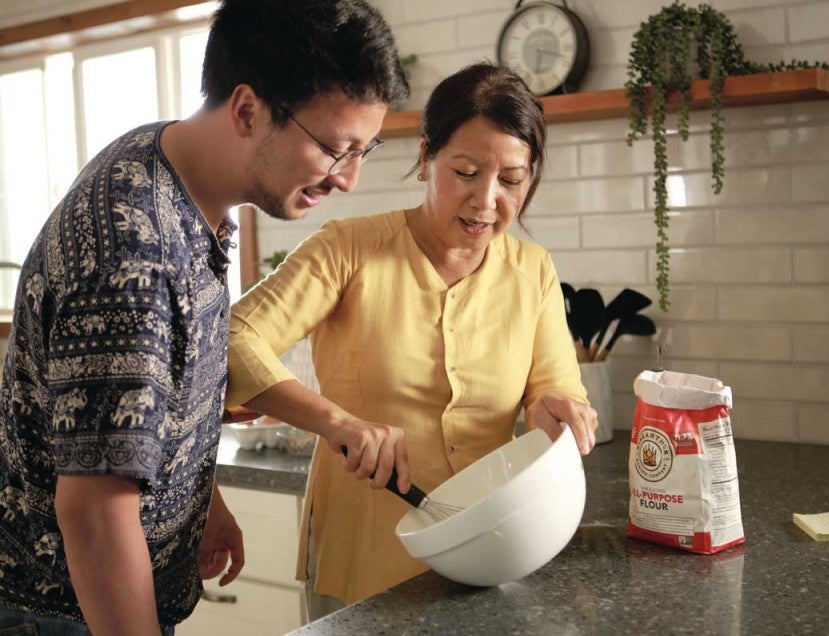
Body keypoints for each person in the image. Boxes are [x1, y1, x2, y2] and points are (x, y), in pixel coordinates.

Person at [0, 0, 408, 633]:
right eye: (334, 149)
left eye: (363, 150)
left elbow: (139, 405)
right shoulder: (133, 253)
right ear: (248, 109)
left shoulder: (178, 175)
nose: (347, 179)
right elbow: (93, 513)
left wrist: (200, 497)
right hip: (64, 612)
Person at [226, 62, 599, 613]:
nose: (486, 201)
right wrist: (337, 422)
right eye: (466, 172)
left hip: (488, 562)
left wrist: (557, 410)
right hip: (364, 560)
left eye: (511, 180)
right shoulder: (347, 249)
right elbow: (232, 337)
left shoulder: (533, 269)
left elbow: (555, 387)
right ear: (425, 158)